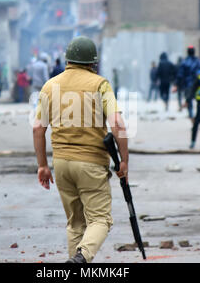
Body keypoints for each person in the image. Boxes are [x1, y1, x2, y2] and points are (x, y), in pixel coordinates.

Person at [33, 36, 129, 263]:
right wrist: (124, 159)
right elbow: (118, 124)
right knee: (100, 220)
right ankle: (82, 257)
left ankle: (74, 265)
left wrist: (42, 166)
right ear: (92, 63)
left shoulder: (50, 86)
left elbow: (38, 128)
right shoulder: (99, 84)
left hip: (62, 164)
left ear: (67, 60)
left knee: (75, 223)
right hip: (91, 163)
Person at [175, 46, 200, 121]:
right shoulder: (199, 62)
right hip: (198, 85)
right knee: (199, 102)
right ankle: (199, 116)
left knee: (189, 101)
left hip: (188, 85)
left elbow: (180, 75)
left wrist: (176, 84)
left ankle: (191, 116)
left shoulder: (184, 62)